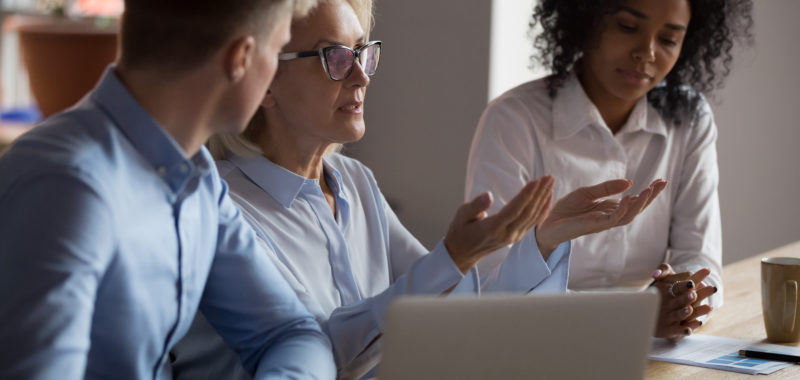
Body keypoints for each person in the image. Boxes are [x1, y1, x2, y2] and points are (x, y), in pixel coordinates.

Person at [171, 0, 664, 378]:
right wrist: (453, 257)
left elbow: (453, 321)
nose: (361, 75)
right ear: (264, 76)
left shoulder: (355, 184)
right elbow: (318, 352)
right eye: (336, 57)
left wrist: (543, 239)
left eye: (362, 52)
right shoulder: (222, 208)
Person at [0, 0, 336, 378]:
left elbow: (291, 333)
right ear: (241, 57)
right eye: (276, 51)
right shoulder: (66, 188)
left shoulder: (198, 175)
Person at [466, 0, 753, 340]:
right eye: (628, 27)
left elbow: (701, 259)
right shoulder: (514, 120)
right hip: (535, 344)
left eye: (669, 39)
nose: (646, 53)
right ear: (585, 19)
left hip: (650, 348)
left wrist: (683, 300)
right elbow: (490, 285)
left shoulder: (690, 119)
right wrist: (635, 315)